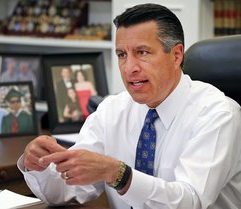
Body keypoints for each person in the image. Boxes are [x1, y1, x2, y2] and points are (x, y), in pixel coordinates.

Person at [17, 3, 241, 209]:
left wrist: (118, 173)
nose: (129, 68)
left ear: (176, 55)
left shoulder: (218, 113)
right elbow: (68, 190)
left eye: (142, 52)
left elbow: (190, 201)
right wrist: (39, 165)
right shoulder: (112, 110)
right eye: (122, 55)